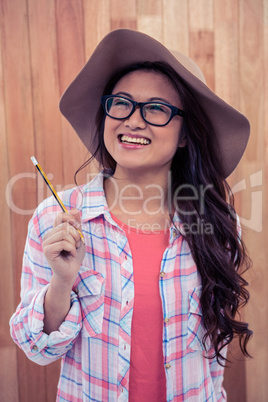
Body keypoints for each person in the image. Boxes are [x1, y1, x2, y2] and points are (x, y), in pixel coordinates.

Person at [10, 29, 252, 401]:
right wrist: (60, 283)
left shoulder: (217, 225)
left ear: (186, 134)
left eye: (156, 109)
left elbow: (212, 356)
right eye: (121, 103)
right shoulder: (54, 220)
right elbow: (38, 350)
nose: (133, 120)